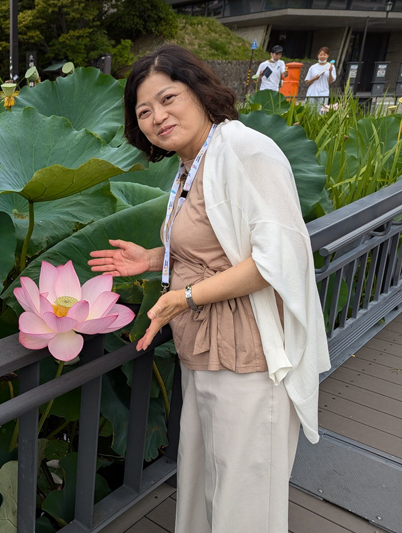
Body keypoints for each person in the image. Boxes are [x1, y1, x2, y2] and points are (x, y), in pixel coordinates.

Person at [88, 44, 330, 533]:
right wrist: (153, 259)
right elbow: (216, 246)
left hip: (247, 356)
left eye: (168, 98)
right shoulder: (190, 164)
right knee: (204, 486)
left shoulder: (247, 151)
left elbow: (274, 260)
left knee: (245, 501)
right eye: (144, 111)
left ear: (199, 91)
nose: (158, 116)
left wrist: (187, 297)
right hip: (202, 351)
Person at [305, 47, 336, 111]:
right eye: (320, 55)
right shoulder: (313, 67)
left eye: (324, 55)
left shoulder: (331, 66)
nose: (322, 56)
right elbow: (307, 82)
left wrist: (330, 72)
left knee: (321, 111)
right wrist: (314, 79)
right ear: (318, 55)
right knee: (310, 111)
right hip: (312, 92)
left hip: (323, 92)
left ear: (328, 55)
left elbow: (330, 81)